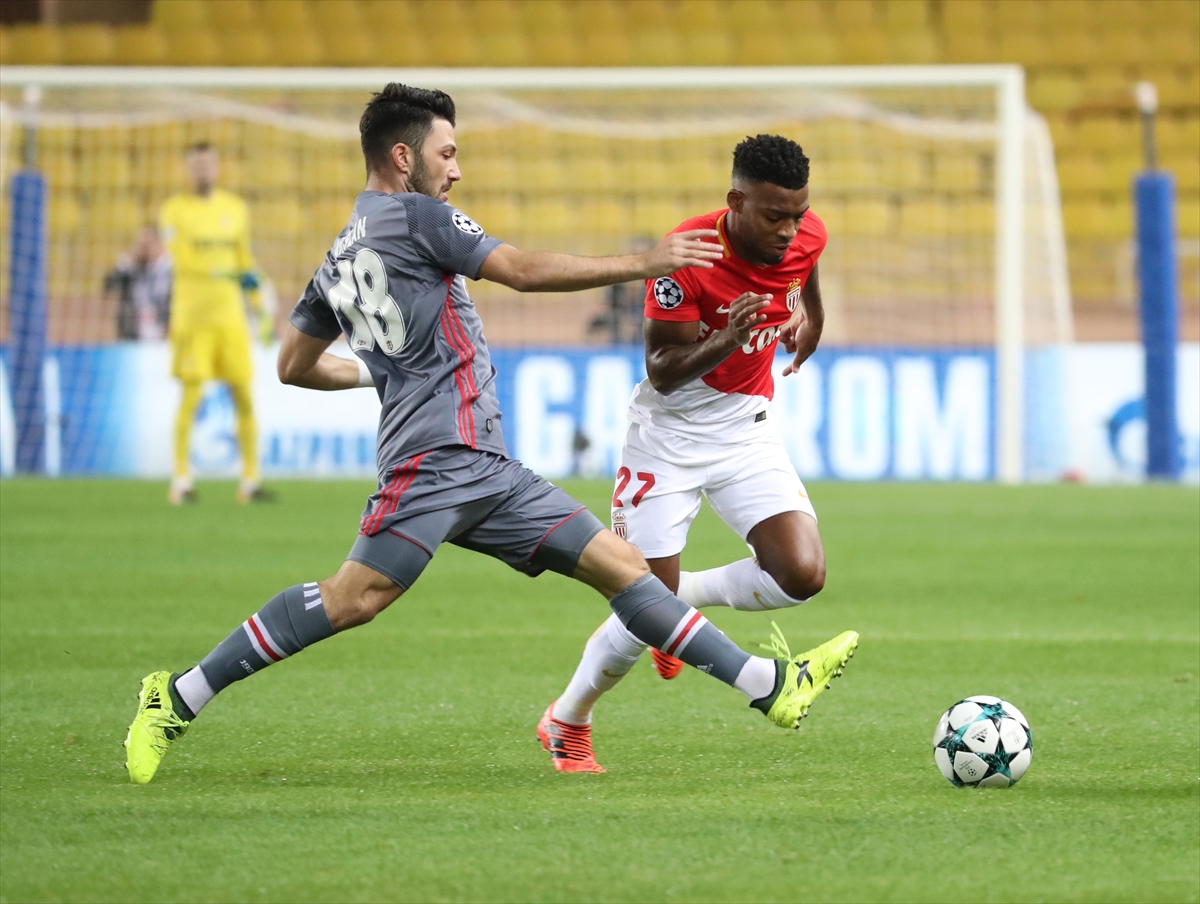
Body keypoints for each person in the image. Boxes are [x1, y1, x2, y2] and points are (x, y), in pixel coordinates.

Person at [123, 85, 858, 785]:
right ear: (403, 158)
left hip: (486, 467)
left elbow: (293, 365)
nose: (457, 168)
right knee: (351, 599)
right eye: (447, 153)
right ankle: (179, 694)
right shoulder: (418, 218)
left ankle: (768, 686)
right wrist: (644, 261)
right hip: (435, 466)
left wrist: (382, 374)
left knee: (625, 571)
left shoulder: (341, 251)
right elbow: (523, 271)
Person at [541, 134, 848, 775]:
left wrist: (811, 316)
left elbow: (806, 262)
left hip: (746, 430)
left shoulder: (804, 232)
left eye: (798, 213)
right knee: (640, 602)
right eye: (774, 217)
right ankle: (568, 719)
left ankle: (681, 600)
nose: (790, 230)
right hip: (667, 440)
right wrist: (731, 339)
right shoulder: (687, 258)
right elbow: (662, 371)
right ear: (735, 201)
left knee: (802, 575)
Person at [159, 142, 272, 505]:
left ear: (217, 168)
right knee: (191, 396)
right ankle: (181, 480)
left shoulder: (235, 209)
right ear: (188, 169)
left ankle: (251, 481)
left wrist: (260, 309)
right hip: (192, 318)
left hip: (230, 319)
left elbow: (244, 262)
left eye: (208, 164)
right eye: (196, 165)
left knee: (243, 393)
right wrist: (220, 270)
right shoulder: (173, 211)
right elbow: (181, 257)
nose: (203, 171)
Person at [104, 224, 171, 341]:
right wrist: (124, 265)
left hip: (165, 335)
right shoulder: (129, 269)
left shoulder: (172, 270)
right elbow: (108, 287)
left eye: (147, 244)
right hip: (132, 336)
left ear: (159, 244)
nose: (143, 248)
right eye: (140, 244)